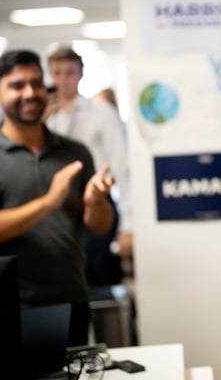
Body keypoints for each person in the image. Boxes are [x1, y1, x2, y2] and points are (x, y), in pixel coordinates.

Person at [0, 49, 116, 346]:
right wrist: (47, 202)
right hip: (8, 308)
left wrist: (96, 203)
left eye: (36, 83)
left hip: (71, 299)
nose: (30, 92)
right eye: (17, 85)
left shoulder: (74, 152)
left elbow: (99, 226)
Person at [45, 47, 132, 286]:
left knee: (99, 281)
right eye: (57, 73)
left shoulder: (101, 112)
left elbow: (122, 167)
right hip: (56, 211)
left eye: (69, 72)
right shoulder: (43, 119)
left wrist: (128, 225)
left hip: (96, 204)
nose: (63, 79)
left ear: (80, 74)